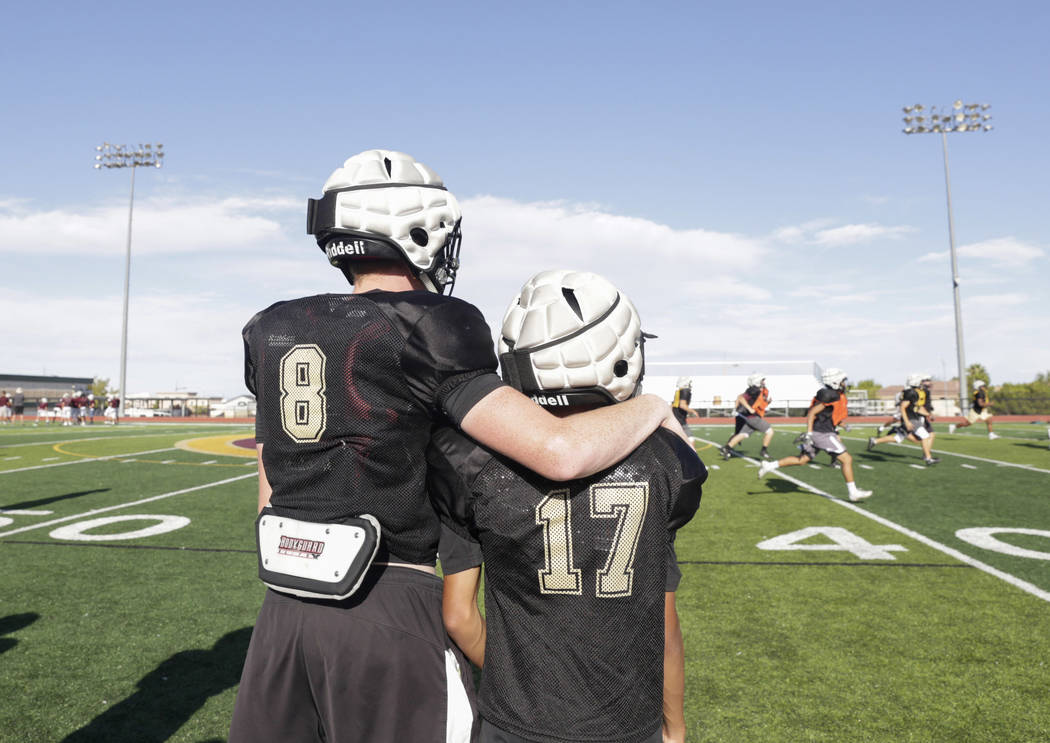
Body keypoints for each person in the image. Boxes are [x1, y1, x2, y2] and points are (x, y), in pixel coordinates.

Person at [228, 150, 681, 743]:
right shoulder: (430, 323)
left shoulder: (272, 327)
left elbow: (269, 487)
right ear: (417, 227)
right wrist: (655, 406)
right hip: (386, 604)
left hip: (284, 610)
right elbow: (559, 451)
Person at [429, 269, 706, 743]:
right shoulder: (667, 462)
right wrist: (674, 727)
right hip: (626, 726)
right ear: (618, 357)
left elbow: (459, 615)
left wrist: (521, 688)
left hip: (514, 723)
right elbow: (664, 624)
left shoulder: (466, 459)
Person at [757, 368, 872, 501]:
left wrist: (842, 426)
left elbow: (827, 416)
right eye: (842, 381)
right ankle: (853, 492)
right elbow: (812, 413)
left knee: (803, 460)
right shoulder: (831, 395)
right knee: (847, 459)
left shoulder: (830, 394)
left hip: (821, 431)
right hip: (823, 434)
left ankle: (770, 465)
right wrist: (810, 433)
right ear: (835, 381)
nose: (844, 383)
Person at [867, 373, 940, 465]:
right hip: (911, 419)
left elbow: (916, 407)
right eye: (920, 381)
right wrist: (907, 422)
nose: (922, 383)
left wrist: (928, 414)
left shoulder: (914, 392)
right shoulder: (911, 392)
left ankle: (874, 441)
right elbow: (902, 407)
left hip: (912, 418)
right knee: (925, 436)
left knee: (898, 438)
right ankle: (928, 458)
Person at [718, 373, 774, 460]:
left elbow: (758, 403)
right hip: (753, 417)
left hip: (750, 417)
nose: (763, 382)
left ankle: (726, 448)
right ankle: (763, 451)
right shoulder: (754, 390)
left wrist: (767, 402)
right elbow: (740, 398)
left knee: (743, 434)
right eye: (762, 380)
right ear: (757, 381)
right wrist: (749, 408)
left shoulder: (759, 390)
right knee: (770, 431)